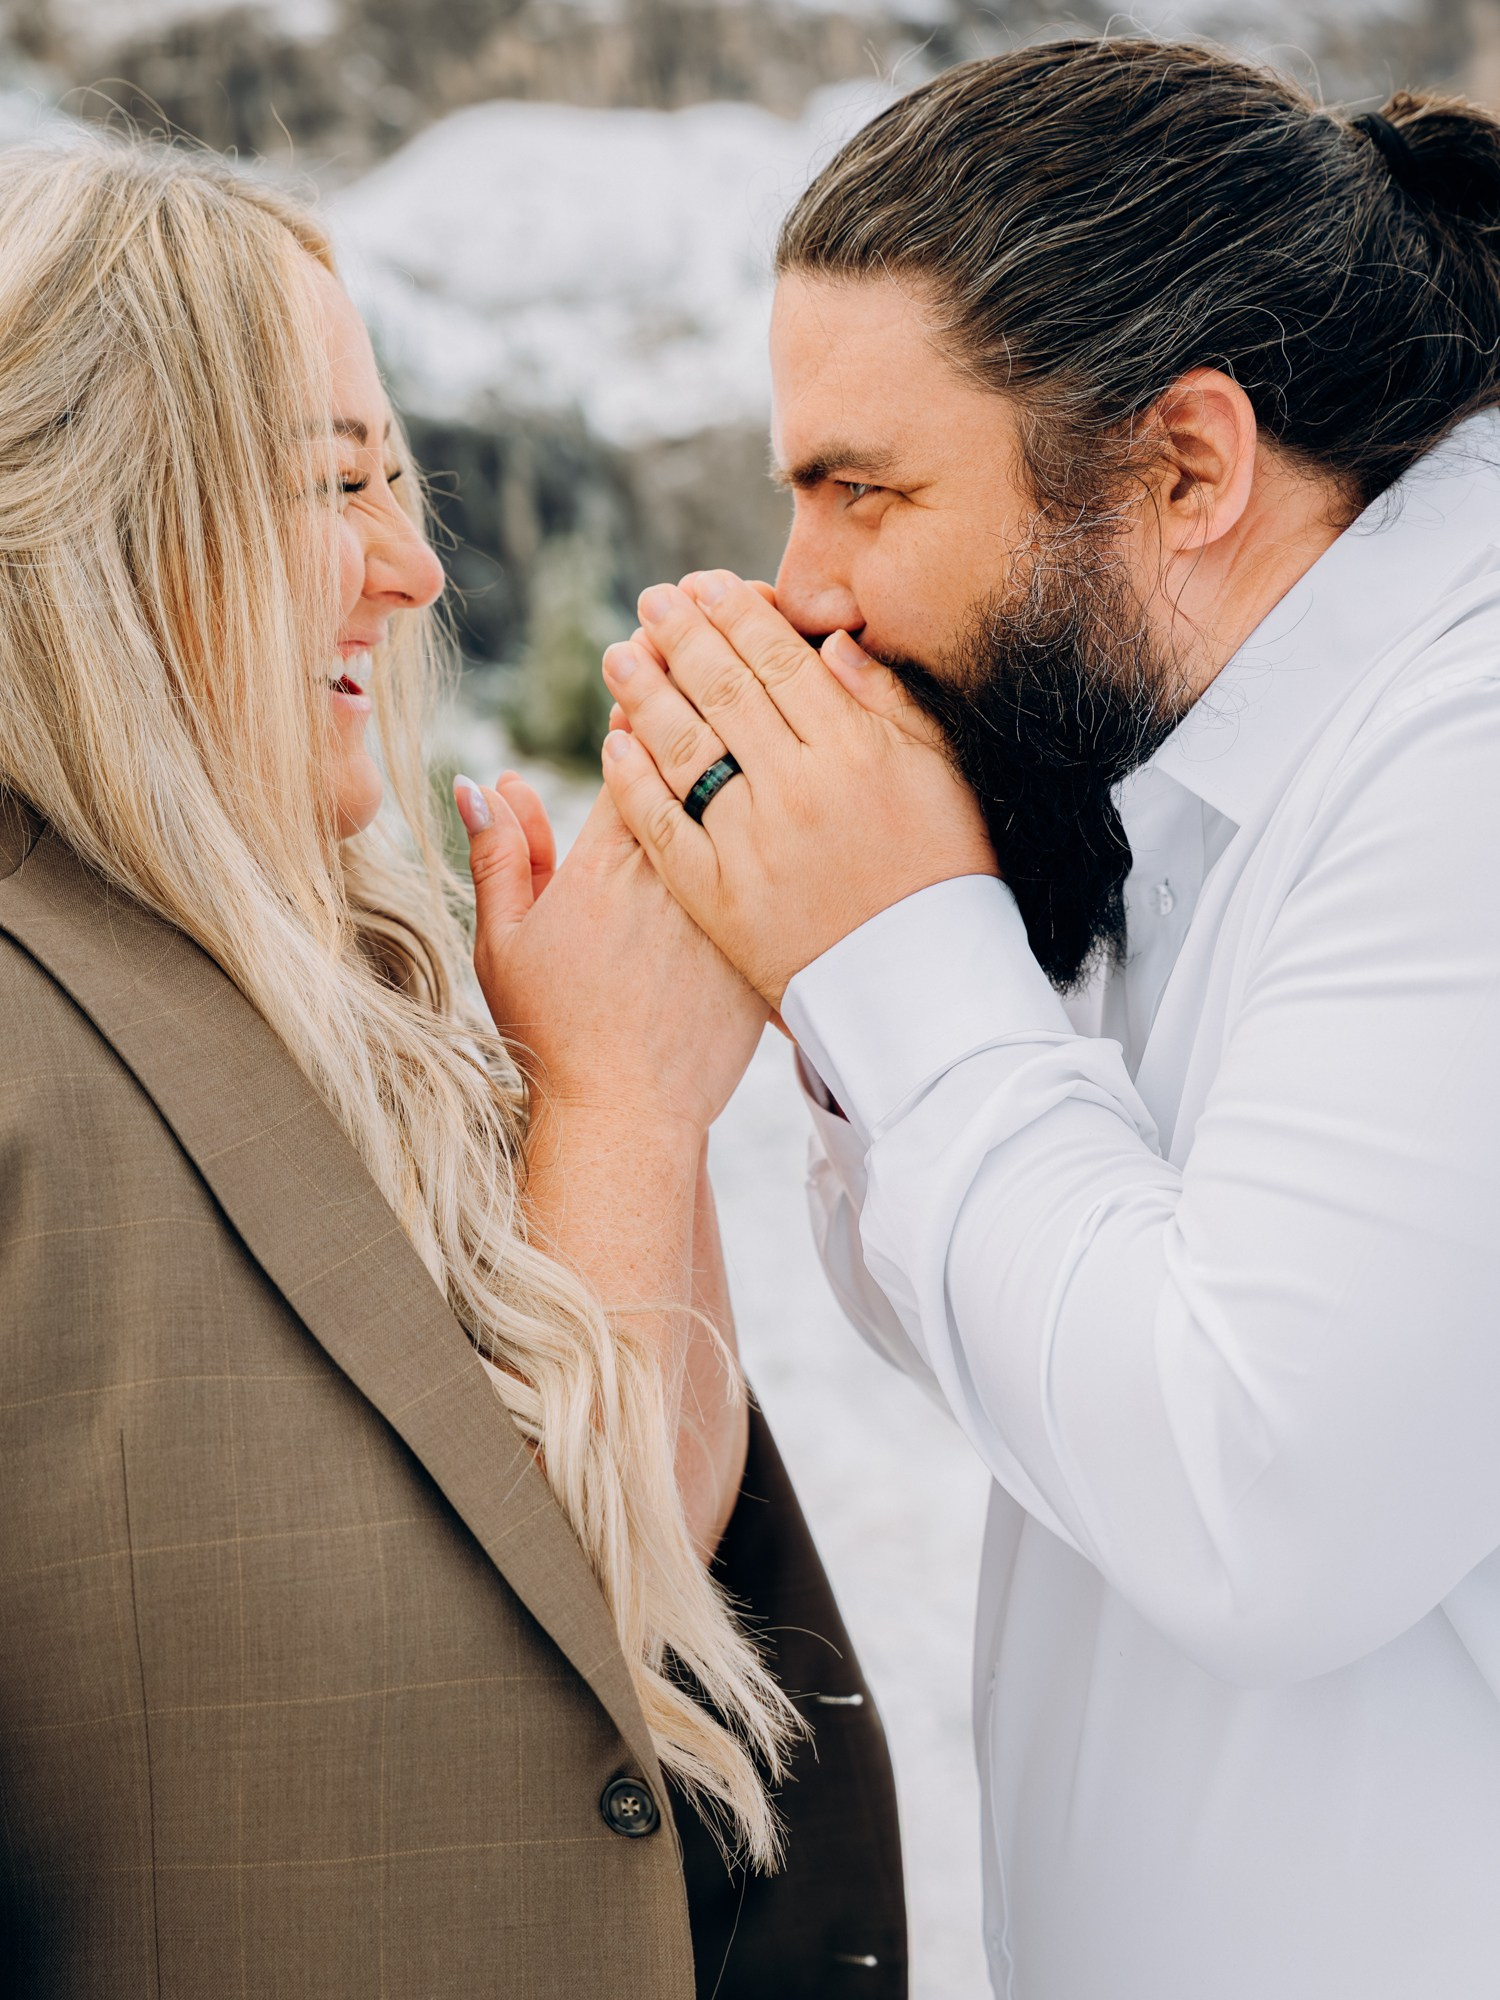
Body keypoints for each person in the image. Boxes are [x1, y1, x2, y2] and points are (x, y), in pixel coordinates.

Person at [598, 41, 1500, 1999]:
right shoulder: (1191, 741)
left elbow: (1265, 1495)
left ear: (1186, 465)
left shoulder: (1470, 751)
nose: (802, 591)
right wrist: (863, 965)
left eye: (865, 493)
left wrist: (900, 934)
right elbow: (1047, 1349)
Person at [0, 135, 905, 1997]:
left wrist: (612, 1098)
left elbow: (614, 1607)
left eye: (399, 481)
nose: (416, 570)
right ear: (93, 508)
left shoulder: (361, 995)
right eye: (337, 486)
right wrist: (625, 1104)